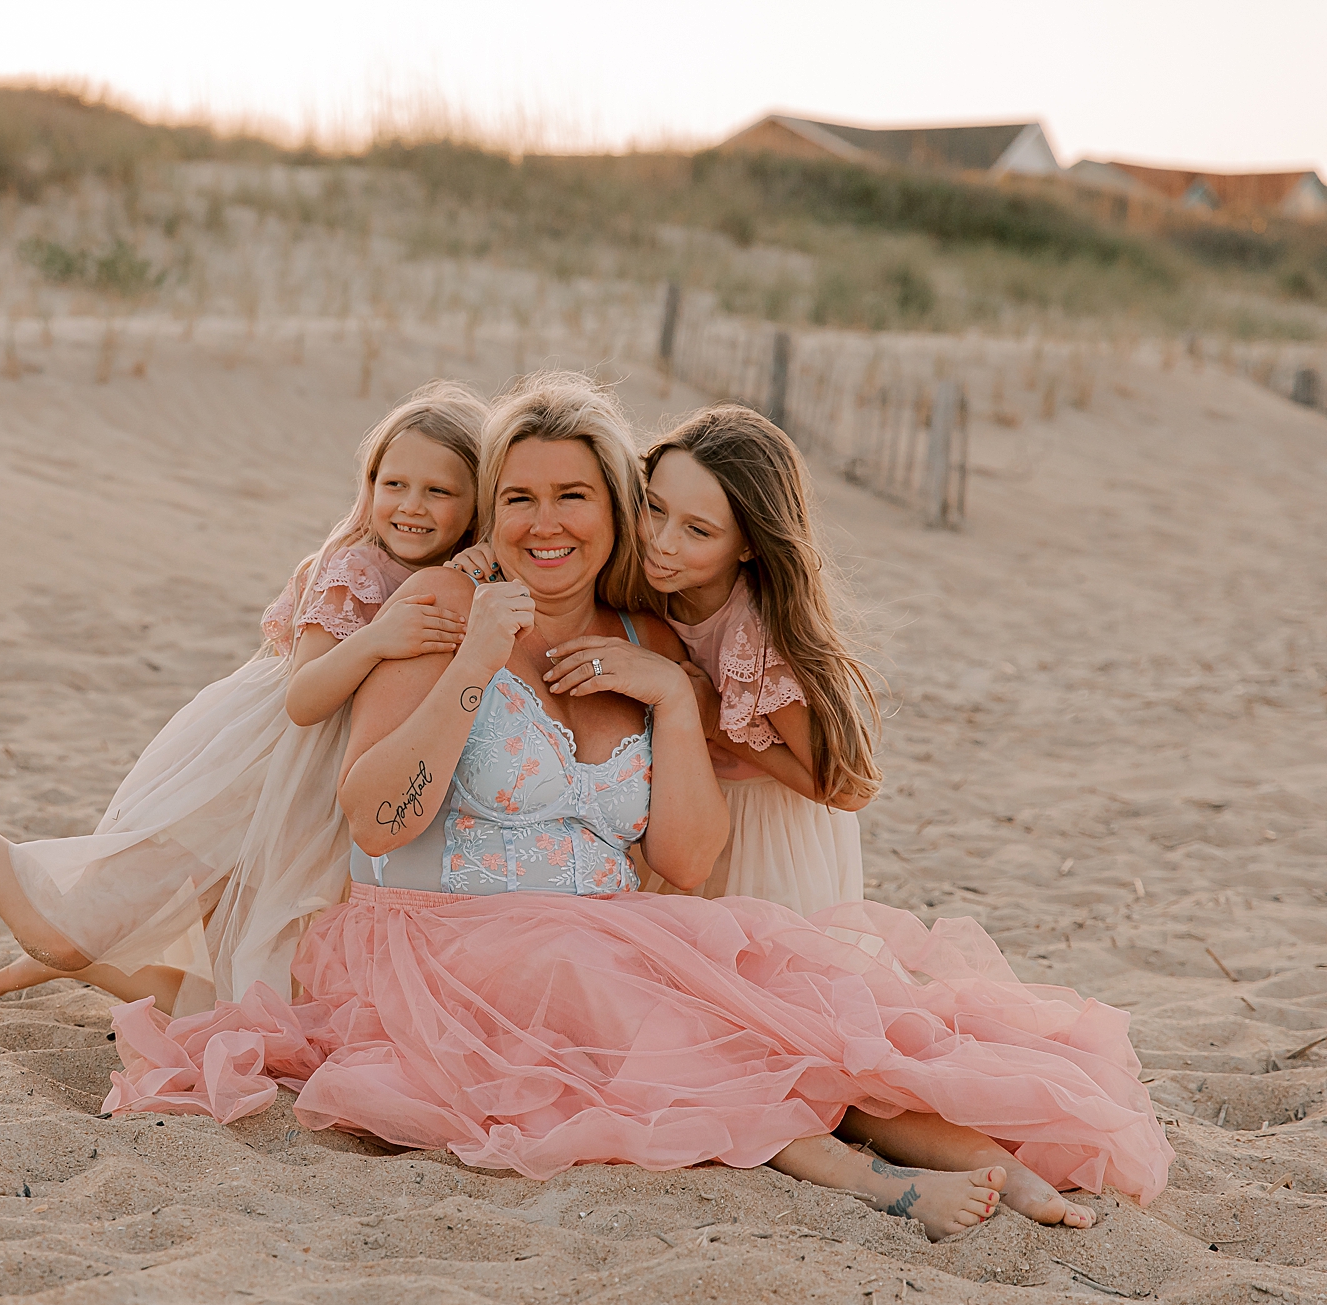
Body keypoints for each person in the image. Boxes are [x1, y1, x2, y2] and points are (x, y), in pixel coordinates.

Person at [105, 372, 1171, 1240]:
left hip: (613, 931)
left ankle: (992, 1160)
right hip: (437, 944)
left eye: (573, 496)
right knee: (624, 988)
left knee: (792, 1006)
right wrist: (476, 655)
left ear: (615, 512)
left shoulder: (652, 643)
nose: (544, 522)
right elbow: (378, 820)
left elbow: (691, 861)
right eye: (517, 498)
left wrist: (666, 693)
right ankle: (857, 1184)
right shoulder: (434, 604)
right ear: (490, 510)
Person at [0, 383, 488, 1015]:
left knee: (233, 992)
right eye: (393, 483)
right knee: (67, 933)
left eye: (438, 491)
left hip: (311, 801)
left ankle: (68, 960)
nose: (410, 506)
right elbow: (305, 698)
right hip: (249, 775)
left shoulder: (453, 572)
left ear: (474, 504)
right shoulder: (357, 568)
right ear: (368, 484)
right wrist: (380, 639)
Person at [639, 404, 876, 914]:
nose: (662, 542)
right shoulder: (644, 581)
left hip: (760, 831)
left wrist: (712, 722)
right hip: (678, 809)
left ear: (748, 545)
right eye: (654, 508)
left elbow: (848, 787)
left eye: (698, 531)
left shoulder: (757, 640)